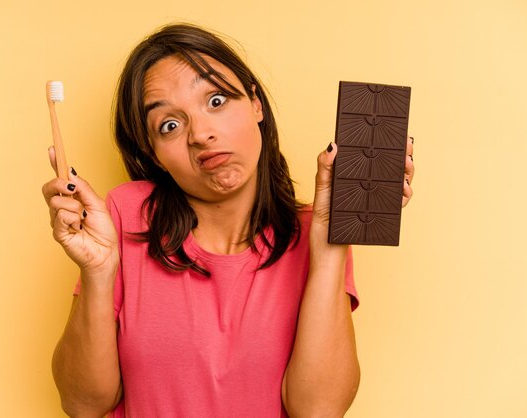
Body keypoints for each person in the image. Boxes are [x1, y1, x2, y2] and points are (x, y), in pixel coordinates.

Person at [42, 23, 415, 418]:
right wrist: (98, 274)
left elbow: (318, 411)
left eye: (216, 101)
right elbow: (82, 404)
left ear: (256, 103)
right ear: (153, 155)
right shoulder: (124, 215)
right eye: (170, 125)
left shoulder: (313, 231)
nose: (200, 134)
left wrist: (329, 245)